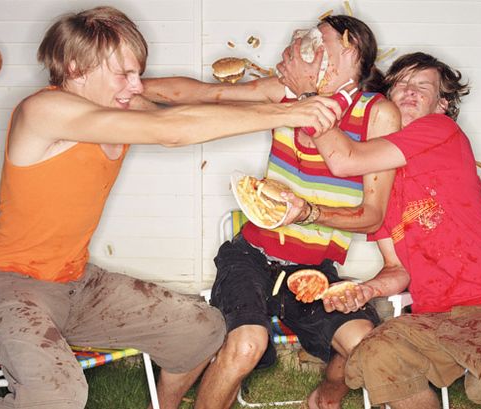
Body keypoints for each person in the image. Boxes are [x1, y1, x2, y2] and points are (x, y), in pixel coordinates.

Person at [0, 6, 343, 409]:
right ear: (76, 68)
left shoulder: (118, 105)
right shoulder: (42, 111)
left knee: (202, 329)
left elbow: (189, 110)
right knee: (58, 394)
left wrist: (272, 97)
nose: (137, 84)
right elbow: (171, 131)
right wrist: (288, 112)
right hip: (14, 287)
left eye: (137, 72)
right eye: (124, 74)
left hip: (76, 282)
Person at [142, 15, 400, 409]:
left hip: (314, 269)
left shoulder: (377, 114)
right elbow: (206, 95)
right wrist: (129, 86)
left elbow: (373, 216)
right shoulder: (288, 92)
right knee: (246, 343)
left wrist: (307, 213)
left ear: (349, 49)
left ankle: (325, 397)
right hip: (251, 255)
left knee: (365, 343)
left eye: (318, 41)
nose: (304, 48)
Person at [281, 51, 481, 408]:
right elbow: (397, 268)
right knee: (378, 354)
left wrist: (309, 97)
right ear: (387, 98)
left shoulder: (440, 132)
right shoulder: (379, 188)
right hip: (431, 318)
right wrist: (366, 290)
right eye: (402, 85)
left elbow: (343, 159)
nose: (411, 92)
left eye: (423, 87)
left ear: (441, 104)